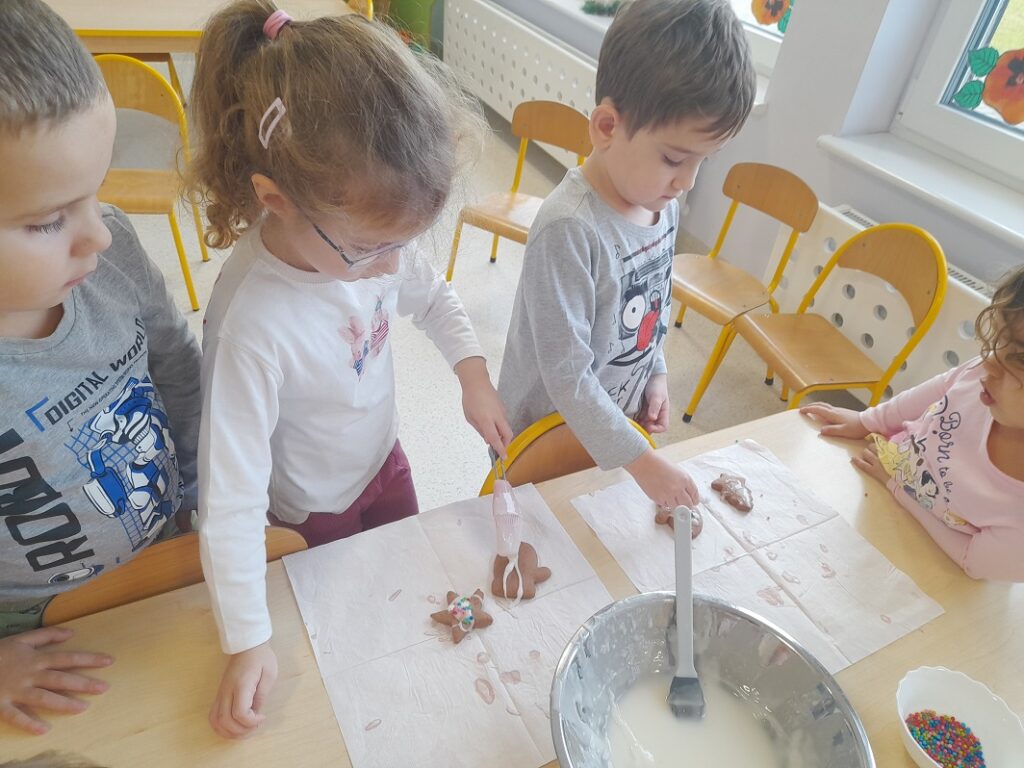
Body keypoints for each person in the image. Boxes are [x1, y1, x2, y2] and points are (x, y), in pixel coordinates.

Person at [186, 1, 512, 739]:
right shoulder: (252, 324)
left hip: (385, 465)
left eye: (403, 245)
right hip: (312, 512)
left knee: (410, 591)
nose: (392, 269)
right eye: (371, 251)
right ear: (275, 201)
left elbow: (432, 296)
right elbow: (229, 499)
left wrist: (472, 374)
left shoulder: (368, 239)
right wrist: (247, 639)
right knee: (353, 643)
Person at [0, 0, 201, 735]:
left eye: (98, 192)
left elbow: (178, 368)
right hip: (41, 630)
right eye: (48, 220)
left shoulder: (107, 255)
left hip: (169, 552)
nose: (101, 235)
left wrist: (205, 488)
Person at [497, 0, 755, 510]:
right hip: (543, 440)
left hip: (610, 433)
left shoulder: (662, 206)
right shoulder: (569, 229)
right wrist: (641, 459)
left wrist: (655, 371)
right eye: (674, 159)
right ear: (607, 127)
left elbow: (653, 307)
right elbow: (567, 376)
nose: (687, 183)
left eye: (703, 162)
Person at [802, 266, 1024, 581]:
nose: (988, 361)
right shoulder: (984, 379)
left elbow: (971, 561)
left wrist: (897, 487)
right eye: (999, 340)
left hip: (929, 559)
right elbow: (942, 386)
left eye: (1020, 358)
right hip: (880, 477)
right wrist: (868, 420)